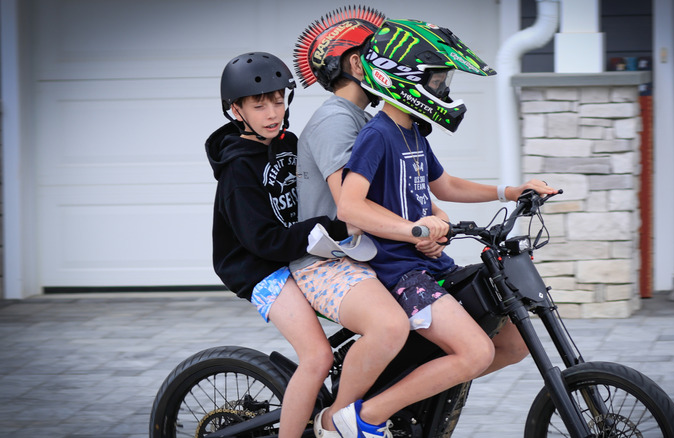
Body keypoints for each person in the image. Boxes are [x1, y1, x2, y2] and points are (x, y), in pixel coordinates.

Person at [335, 19, 558, 438]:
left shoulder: (413, 131)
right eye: (436, 79)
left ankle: (416, 392)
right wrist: (414, 232)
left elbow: (446, 185)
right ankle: (364, 418)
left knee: (514, 343)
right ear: (403, 78)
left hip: (429, 266)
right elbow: (349, 205)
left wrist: (511, 190)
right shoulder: (377, 135)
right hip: (400, 273)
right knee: (475, 352)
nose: (442, 89)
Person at [291, 7, 424, 438]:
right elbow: (349, 207)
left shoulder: (363, 118)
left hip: (361, 255)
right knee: (390, 326)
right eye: (381, 57)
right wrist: (413, 232)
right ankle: (340, 424)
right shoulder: (334, 119)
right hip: (326, 262)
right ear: (355, 63)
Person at [206, 51, 349, 438]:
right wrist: (328, 226)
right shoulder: (237, 169)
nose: (272, 112)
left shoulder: (288, 142)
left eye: (278, 100)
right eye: (259, 104)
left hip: (298, 251)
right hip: (260, 266)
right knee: (317, 357)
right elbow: (263, 241)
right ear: (236, 110)